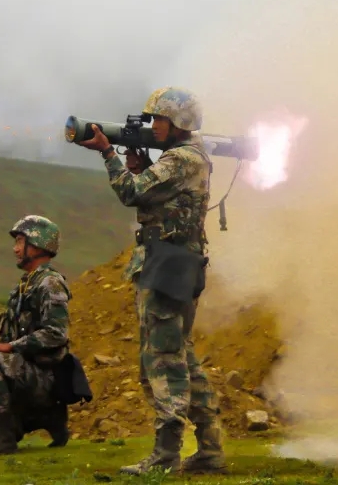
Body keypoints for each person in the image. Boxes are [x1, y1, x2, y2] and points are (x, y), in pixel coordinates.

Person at [76, 86, 226, 475]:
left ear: (179, 122)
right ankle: (210, 450)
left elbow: (130, 193)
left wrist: (108, 154)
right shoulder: (187, 159)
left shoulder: (180, 160)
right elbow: (154, 195)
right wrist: (141, 168)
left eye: (160, 118)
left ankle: (165, 456)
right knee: (184, 358)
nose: (153, 125)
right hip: (176, 263)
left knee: (162, 361)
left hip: (167, 265)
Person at [0, 215, 72, 456]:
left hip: (44, 376)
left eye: (20, 242)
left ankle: (5, 437)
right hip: (22, 376)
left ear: (38, 245)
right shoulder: (24, 286)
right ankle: (47, 417)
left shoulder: (50, 283)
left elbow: (57, 334)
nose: (15, 249)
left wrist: (10, 347)